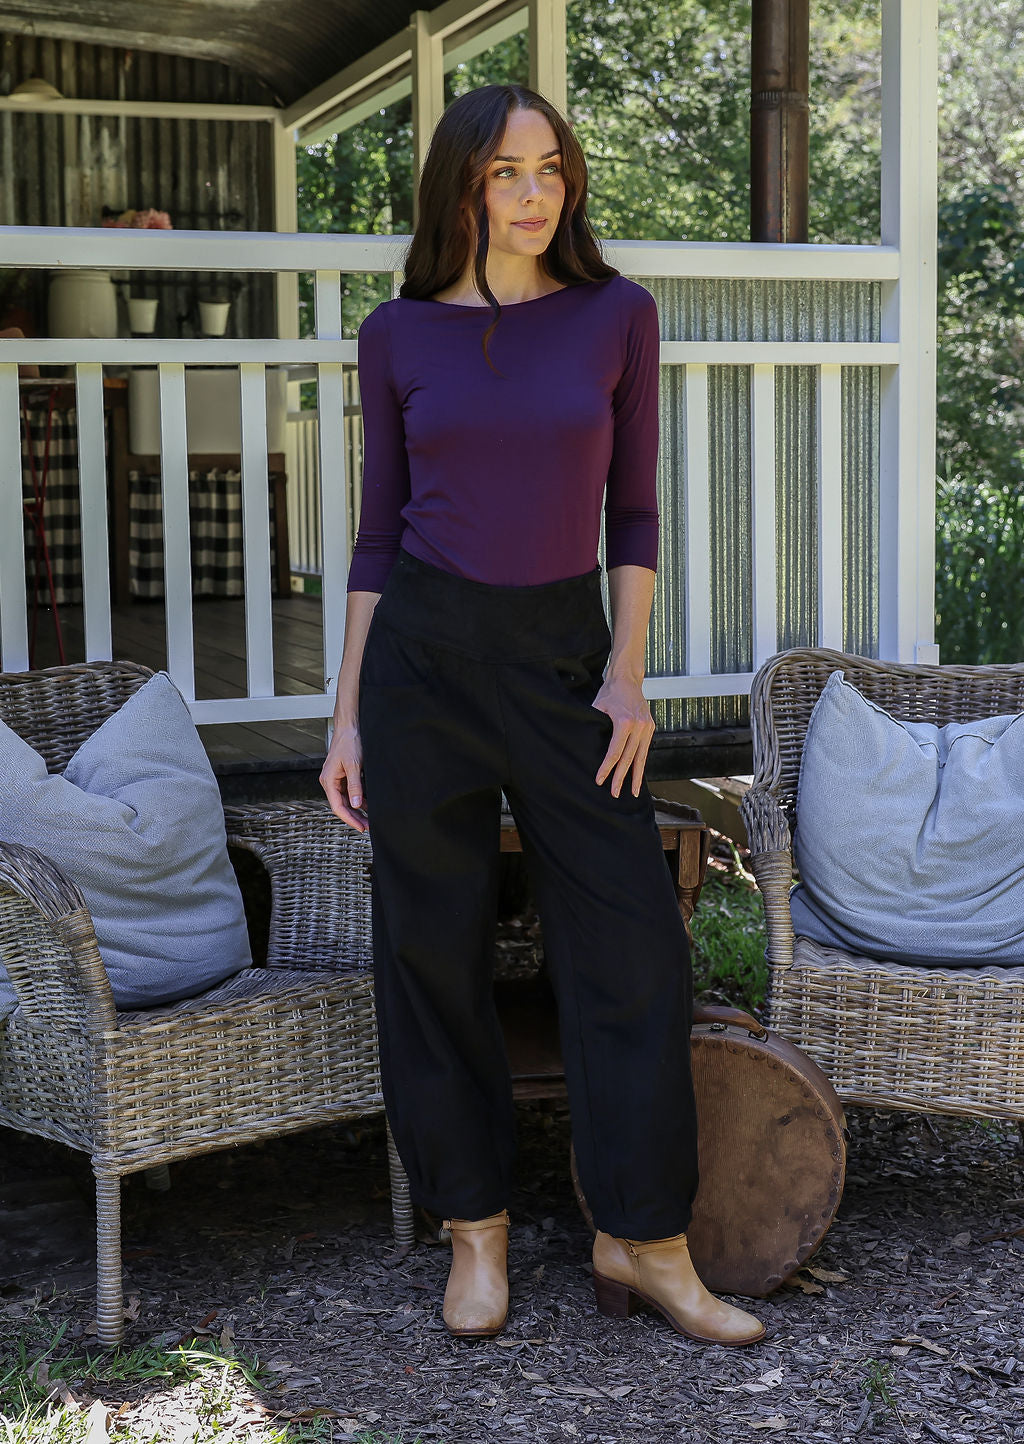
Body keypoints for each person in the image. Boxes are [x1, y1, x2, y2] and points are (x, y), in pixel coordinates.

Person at [320, 82, 765, 1348]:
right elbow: (373, 535)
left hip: (570, 665)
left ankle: (648, 1237)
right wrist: (346, 714)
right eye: (506, 172)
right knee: (431, 949)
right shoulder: (396, 332)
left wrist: (627, 670)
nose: (532, 193)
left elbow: (633, 509)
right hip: (422, 663)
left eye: (551, 170)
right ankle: (477, 1232)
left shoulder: (616, 316)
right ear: (459, 188)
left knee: (631, 948)